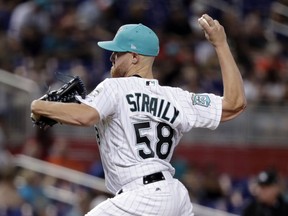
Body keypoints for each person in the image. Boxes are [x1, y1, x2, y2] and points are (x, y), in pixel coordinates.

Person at [31, 14, 246, 216]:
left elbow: (85, 116)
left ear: (134, 57)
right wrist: (221, 44)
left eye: (117, 52)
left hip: (140, 196)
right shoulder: (177, 98)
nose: (112, 58)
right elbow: (235, 104)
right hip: (174, 197)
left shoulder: (115, 87)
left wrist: (38, 106)